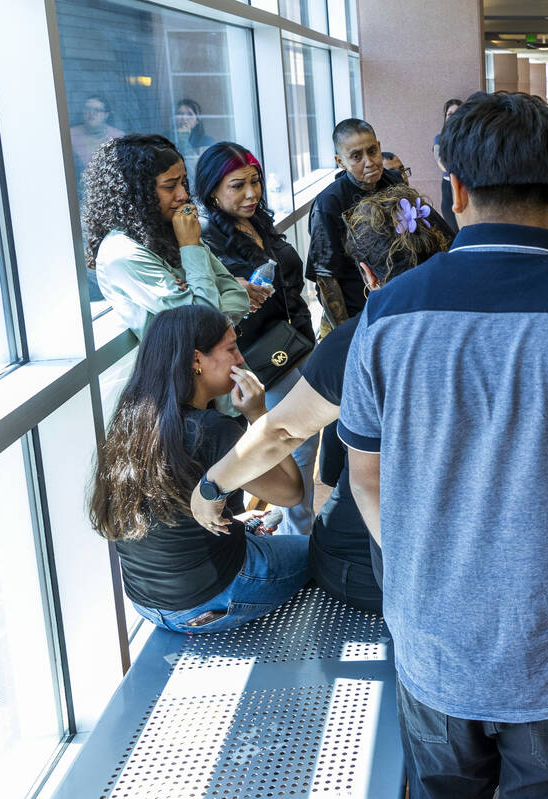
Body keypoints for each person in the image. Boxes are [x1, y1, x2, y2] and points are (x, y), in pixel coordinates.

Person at [339, 91, 548, 799]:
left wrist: (413, 578)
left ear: (455, 188)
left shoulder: (387, 313)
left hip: (433, 636)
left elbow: (365, 478)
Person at [189, 185, 449, 613]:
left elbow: (285, 430)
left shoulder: (359, 340)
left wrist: (212, 485)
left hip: (367, 563)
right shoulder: (479, 325)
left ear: (367, 275)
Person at [89, 305, 309, 634]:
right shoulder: (212, 429)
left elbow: (169, 518)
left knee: (259, 526)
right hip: (215, 597)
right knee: (326, 547)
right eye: (231, 349)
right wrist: (259, 415)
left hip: (147, 604)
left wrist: (235, 524)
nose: (241, 360)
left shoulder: (129, 422)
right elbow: (292, 492)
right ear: (196, 360)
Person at [195, 142, 318, 537]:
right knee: (291, 450)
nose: (251, 193)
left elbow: (289, 288)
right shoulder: (209, 244)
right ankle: (300, 538)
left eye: (255, 182)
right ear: (213, 190)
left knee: (304, 445)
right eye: (237, 186)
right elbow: (217, 312)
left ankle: (301, 530)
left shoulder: (261, 223)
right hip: (261, 361)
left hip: (296, 345)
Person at [84, 134, 251, 341]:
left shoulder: (166, 229)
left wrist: (205, 306)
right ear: (136, 192)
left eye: (183, 182)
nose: (182, 195)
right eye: (170, 186)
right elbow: (204, 322)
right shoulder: (122, 252)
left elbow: (238, 294)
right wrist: (190, 246)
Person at [306, 118, 452, 334]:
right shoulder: (328, 203)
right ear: (340, 162)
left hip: (404, 299)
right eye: (356, 156)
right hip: (360, 309)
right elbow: (326, 277)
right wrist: (345, 332)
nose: (369, 162)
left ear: (380, 147)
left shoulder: (394, 181)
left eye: (372, 151)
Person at [70, 94, 125, 175]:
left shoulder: (118, 136)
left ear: (106, 115)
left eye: (97, 110)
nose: (91, 113)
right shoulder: (71, 135)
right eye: (87, 109)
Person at [433, 98, 463, 231]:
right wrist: (453, 171)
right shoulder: (439, 138)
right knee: (452, 228)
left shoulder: (469, 138)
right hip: (448, 186)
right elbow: (439, 159)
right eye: (450, 114)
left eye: (457, 113)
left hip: (466, 186)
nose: (453, 117)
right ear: (445, 117)